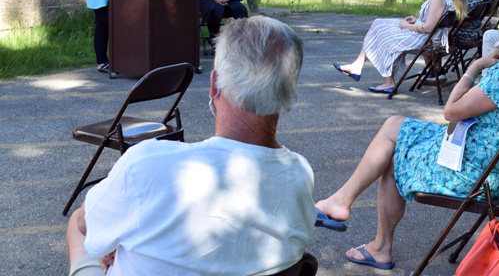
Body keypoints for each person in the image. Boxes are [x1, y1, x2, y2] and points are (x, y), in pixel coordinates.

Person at [317, 0, 499, 270]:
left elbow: (451, 111)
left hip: (476, 175)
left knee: (397, 146)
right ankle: (346, 208)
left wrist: (475, 67)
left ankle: (370, 235)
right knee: (396, 127)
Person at [65, 16, 316, 275]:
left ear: (214, 85)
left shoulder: (146, 164)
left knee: (76, 225)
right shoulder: (300, 175)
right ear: (289, 99)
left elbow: (86, 226)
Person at [334, 0, 466, 94]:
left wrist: (408, 26)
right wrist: (417, 20)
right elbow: (439, 19)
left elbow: (428, 27)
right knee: (378, 23)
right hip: (435, 38)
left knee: (381, 30)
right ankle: (358, 66)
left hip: (425, 39)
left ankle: (385, 81)